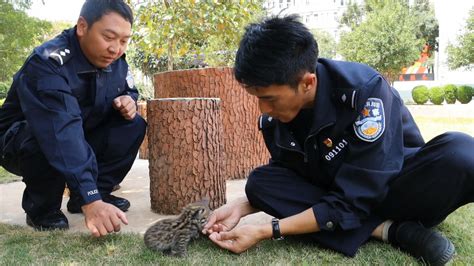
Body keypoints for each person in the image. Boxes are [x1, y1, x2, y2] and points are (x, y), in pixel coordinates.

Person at [203, 15, 474, 265]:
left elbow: (359, 194)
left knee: (461, 151)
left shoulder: (365, 91)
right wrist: (244, 205)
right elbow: (293, 178)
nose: (263, 109)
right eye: (258, 98)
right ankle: (390, 231)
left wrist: (268, 229)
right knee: (260, 183)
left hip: (398, 187)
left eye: (269, 98)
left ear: (307, 83)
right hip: (338, 192)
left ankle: (384, 226)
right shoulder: (276, 121)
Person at [0, 0, 146, 237]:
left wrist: (128, 99)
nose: (116, 48)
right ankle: (43, 207)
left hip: (77, 130)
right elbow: (60, 130)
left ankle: (88, 195)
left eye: (123, 40)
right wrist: (92, 199)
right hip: (20, 141)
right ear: (82, 27)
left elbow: (127, 88)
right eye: (109, 37)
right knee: (45, 135)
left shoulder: (117, 61)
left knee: (132, 124)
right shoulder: (48, 62)